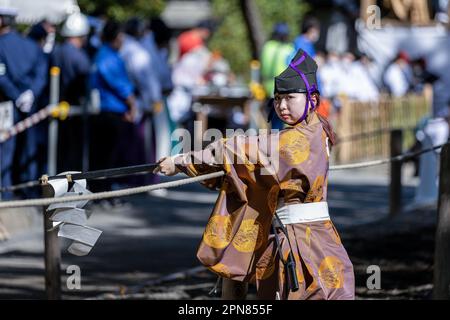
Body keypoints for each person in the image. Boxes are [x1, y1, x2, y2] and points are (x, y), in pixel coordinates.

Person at [154, 49, 355, 300]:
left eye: (289, 98)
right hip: (309, 236)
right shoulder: (318, 127)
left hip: (303, 242)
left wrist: (181, 162)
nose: (281, 106)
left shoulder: (296, 141)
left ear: (313, 100)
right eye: (277, 99)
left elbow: (236, 149)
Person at [0, 6, 47, 198]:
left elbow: (1, 77)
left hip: (6, 104)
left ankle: (6, 192)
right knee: (30, 148)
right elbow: (41, 75)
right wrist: (30, 94)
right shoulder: (30, 45)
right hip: (31, 105)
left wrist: (16, 95)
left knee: (6, 149)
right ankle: (30, 189)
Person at [89, 20, 137, 192]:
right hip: (109, 111)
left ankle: (103, 189)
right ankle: (103, 191)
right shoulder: (107, 56)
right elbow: (119, 84)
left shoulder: (105, 54)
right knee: (107, 156)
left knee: (105, 155)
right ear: (116, 37)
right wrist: (131, 103)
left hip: (108, 110)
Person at [51, 12, 91, 173]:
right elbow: (85, 81)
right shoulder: (79, 56)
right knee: (73, 153)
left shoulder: (56, 51)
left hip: (57, 107)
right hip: (75, 109)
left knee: (59, 152)